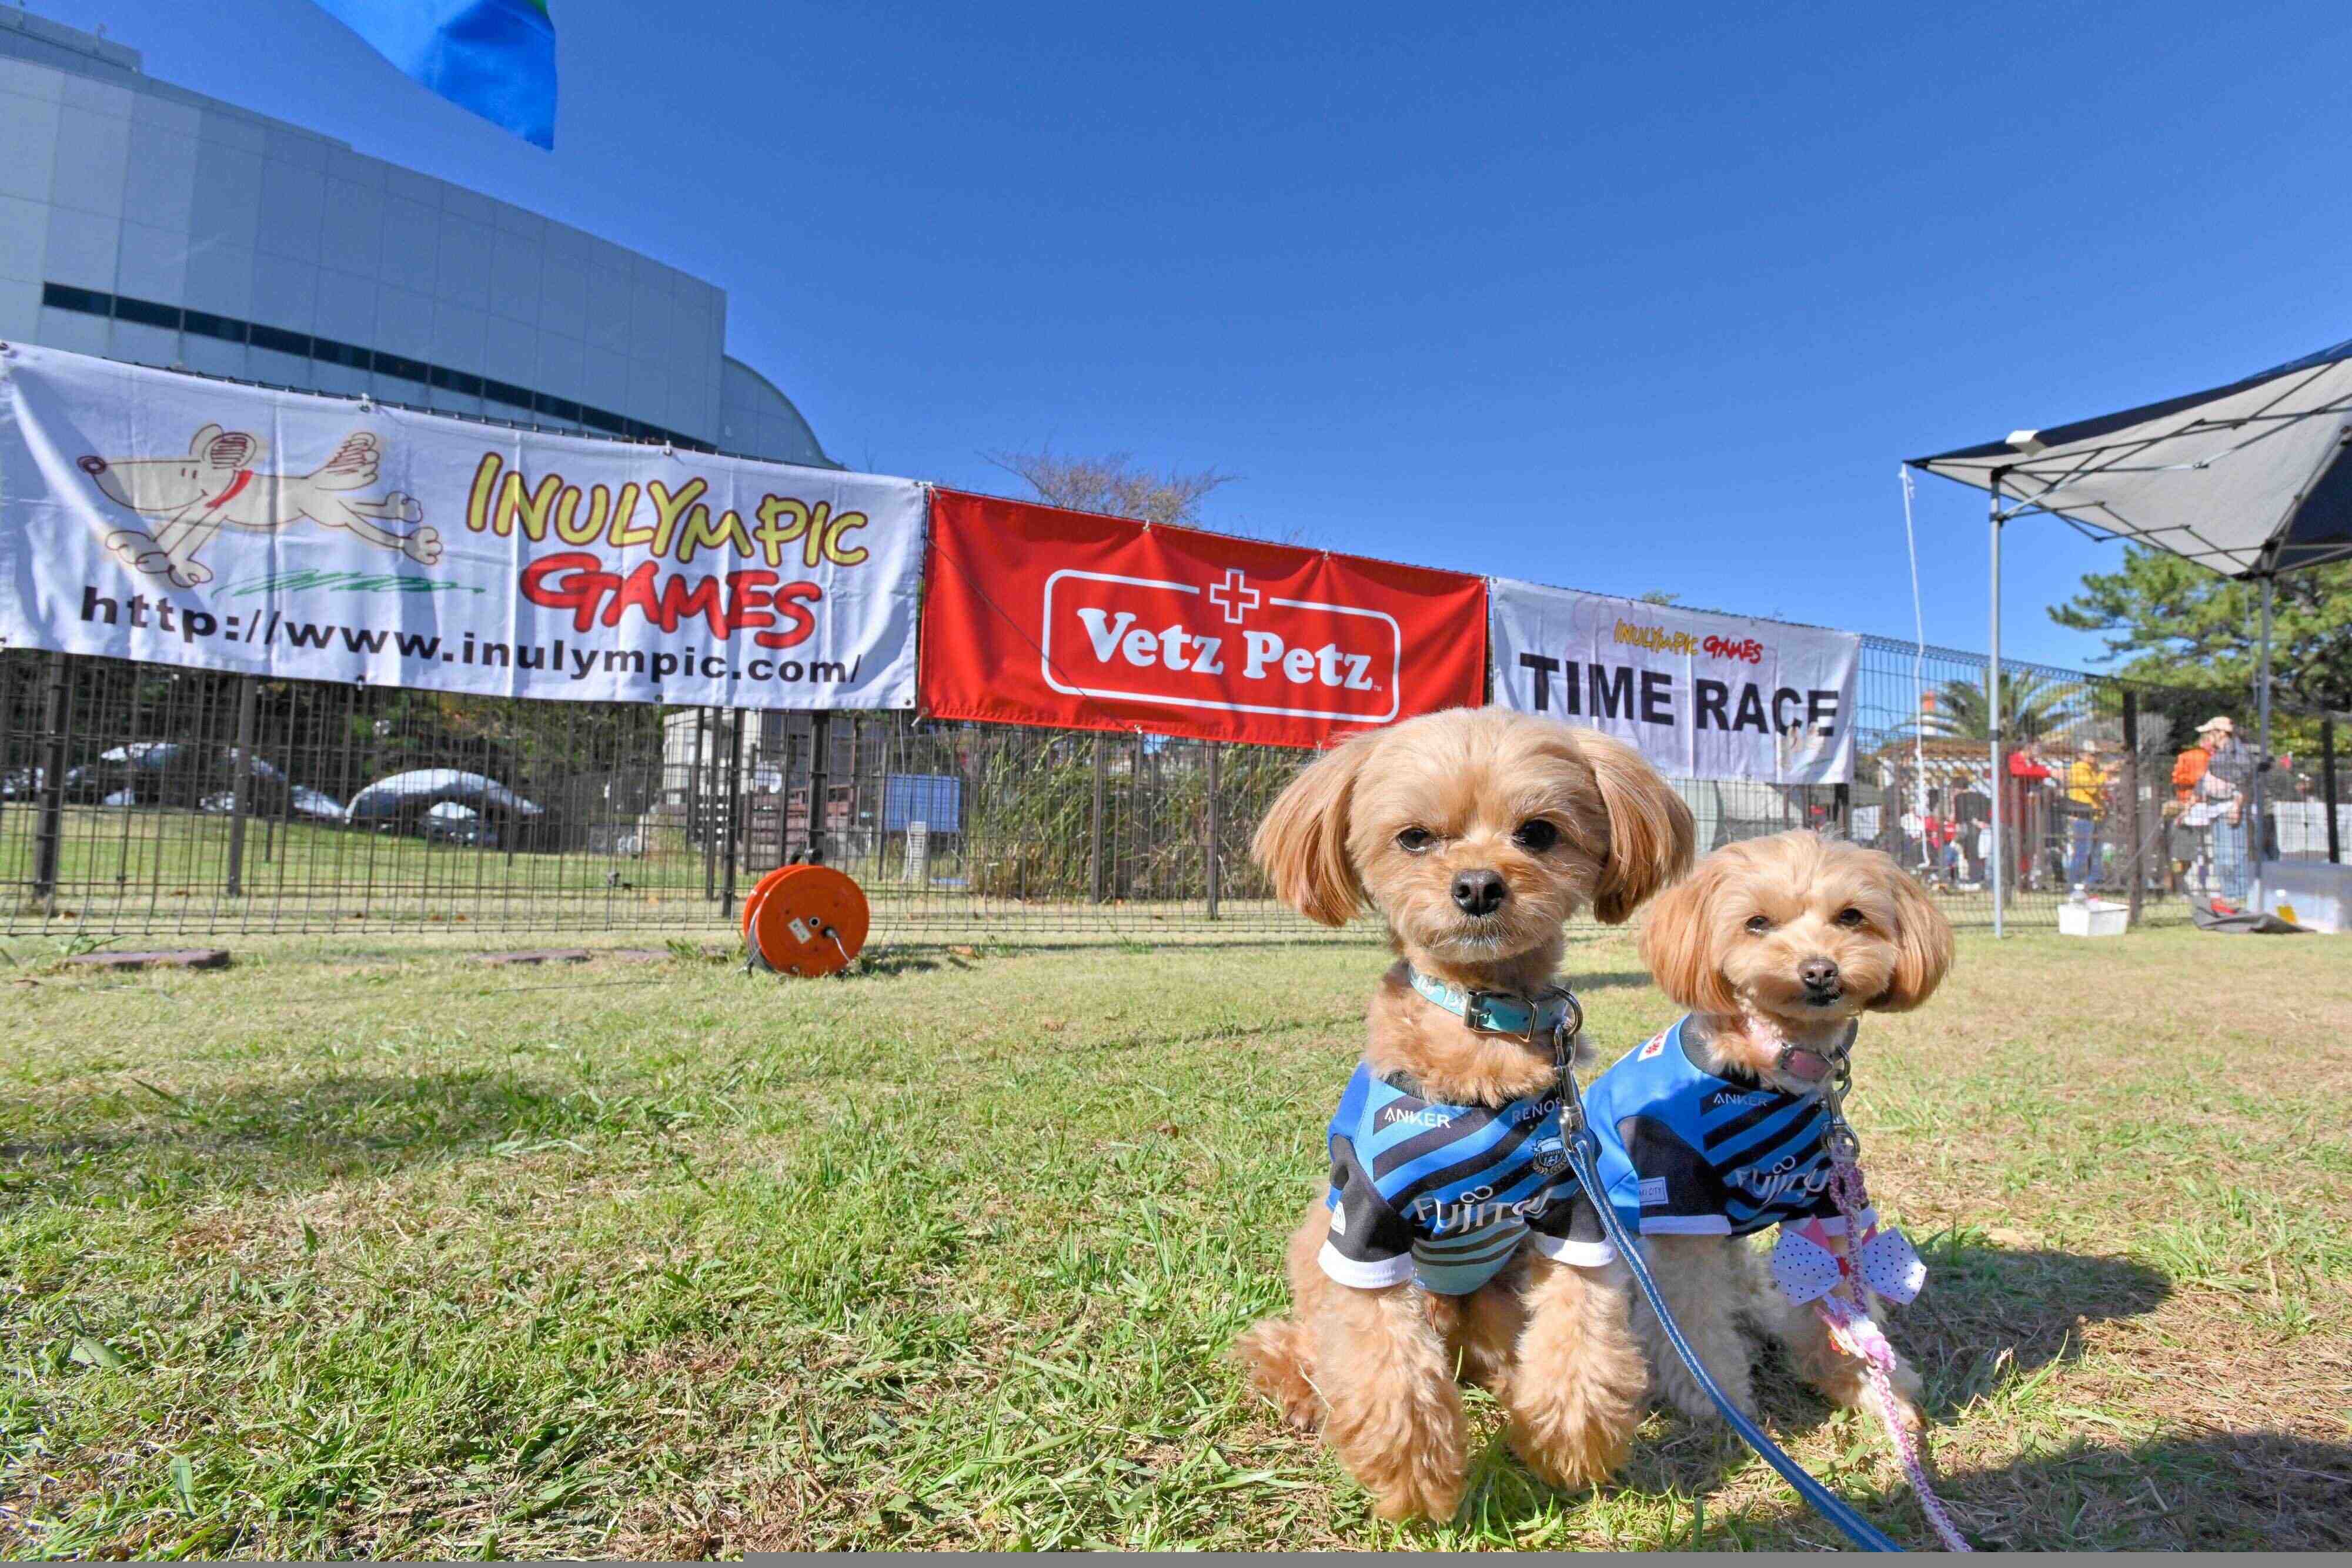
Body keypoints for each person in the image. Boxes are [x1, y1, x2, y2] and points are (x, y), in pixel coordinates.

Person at [2199, 716, 2257, 905]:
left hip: (2230, 809)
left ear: (2221, 733)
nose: (2207, 736)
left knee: (2233, 856)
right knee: (2222, 856)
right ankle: (2228, 894)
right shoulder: (2219, 754)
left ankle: (2238, 896)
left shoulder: (2238, 753)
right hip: (2216, 809)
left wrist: (2237, 807)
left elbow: (2244, 782)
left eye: (2210, 733)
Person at [2063, 745, 2111, 888]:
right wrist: (2105, 773)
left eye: (2097, 755)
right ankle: (2074, 884)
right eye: (2092, 754)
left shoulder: (2093, 769)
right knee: (2082, 851)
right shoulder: (2079, 768)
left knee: (2096, 852)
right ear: (2082, 755)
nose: (2095, 758)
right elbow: (2091, 789)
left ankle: (2094, 882)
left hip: (2096, 814)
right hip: (2083, 815)